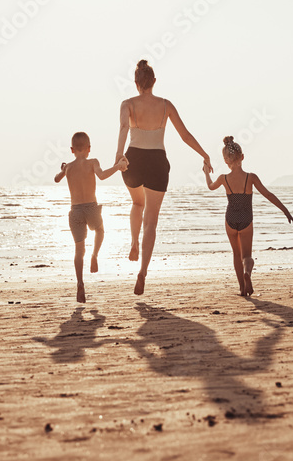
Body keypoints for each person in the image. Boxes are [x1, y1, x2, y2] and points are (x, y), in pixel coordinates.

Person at [115, 60, 212, 295]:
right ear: (154, 82)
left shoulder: (127, 104)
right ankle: (143, 272)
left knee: (137, 203)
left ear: (136, 83)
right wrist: (205, 154)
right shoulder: (166, 105)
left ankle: (134, 242)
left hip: (134, 160)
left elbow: (123, 129)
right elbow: (185, 135)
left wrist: (119, 155)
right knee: (151, 221)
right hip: (157, 162)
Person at [206, 136, 293, 297]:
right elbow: (268, 195)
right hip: (246, 218)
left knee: (236, 254)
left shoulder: (223, 178)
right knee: (246, 256)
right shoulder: (250, 177)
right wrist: (285, 211)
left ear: (226, 161)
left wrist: (206, 173)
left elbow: (211, 186)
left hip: (230, 219)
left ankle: (242, 288)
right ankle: (247, 272)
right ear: (242, 157)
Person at [55, 132, 128, 303]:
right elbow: (102, 176)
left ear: (72, 150)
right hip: (91, 208)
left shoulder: (68, 168)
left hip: (75, 211)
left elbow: (56, 179)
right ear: (89, 149)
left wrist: (63, 170)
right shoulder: (93, 162)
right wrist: (117, 166)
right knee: (100, 231)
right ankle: (95, 255)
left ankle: (80, 283)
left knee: (78, 250)